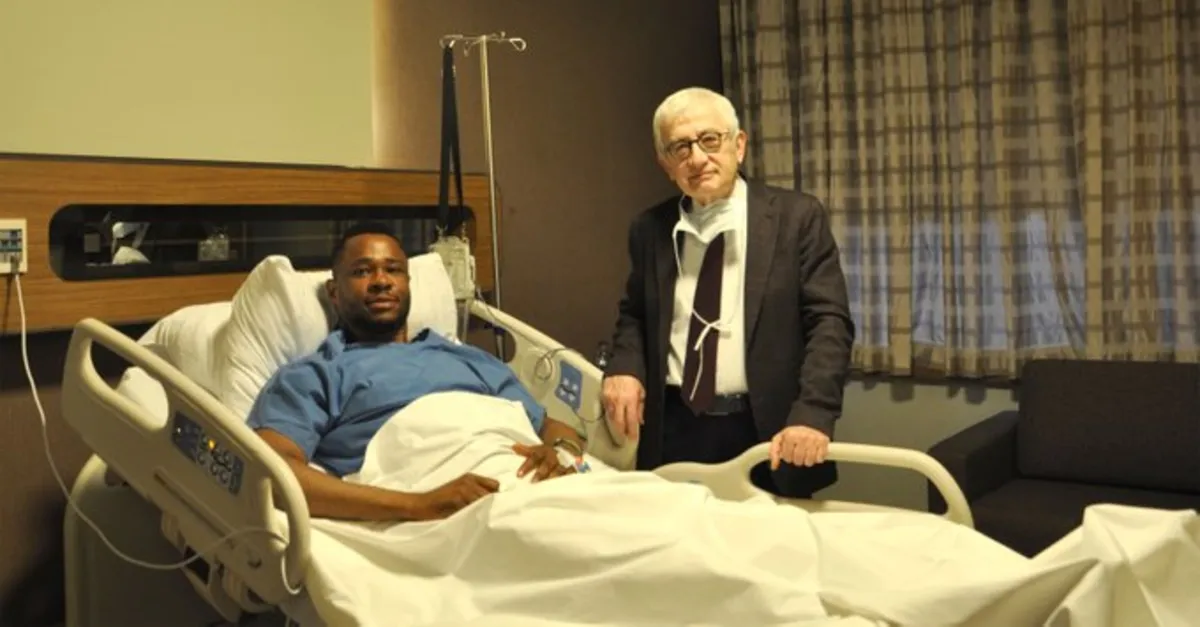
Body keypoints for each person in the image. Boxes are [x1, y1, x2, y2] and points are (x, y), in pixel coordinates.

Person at [601, 87, 855, 498]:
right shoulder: (650, 229)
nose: (697, 158)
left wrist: (814, 412)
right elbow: (635, 314)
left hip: (767, 428)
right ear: (666, 164)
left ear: (738, 146)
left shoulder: (795, 218)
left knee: (772, 537)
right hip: (674, 427)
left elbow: (830, 323)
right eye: (680, 147)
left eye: (709, 140)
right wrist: (624, 368)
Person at [248, 222, 585, 522]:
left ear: (407, 283)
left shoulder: (468, 358)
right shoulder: (315, 375)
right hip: (449, 505)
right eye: (363, 271)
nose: (381, 281)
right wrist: (418, 505)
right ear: (334, 292)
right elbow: (272, 473)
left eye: (393, 270)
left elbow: (549, 425)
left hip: (529, 482)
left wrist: (560, 452)